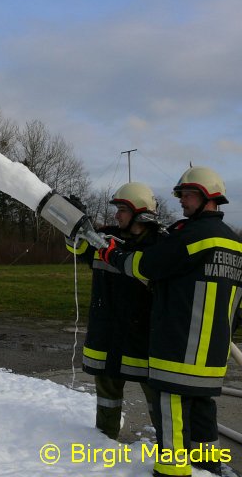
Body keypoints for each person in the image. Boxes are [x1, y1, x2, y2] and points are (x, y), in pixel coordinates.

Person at [99, 166, 242, 476]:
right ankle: (208, 468)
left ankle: (171, 472)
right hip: (212, 355)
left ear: (207, 197)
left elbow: (148, 265)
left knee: (172, 412)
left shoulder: (192, 236)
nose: (181, 200)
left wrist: (114, 256)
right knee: (203, 413)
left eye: (187, 194)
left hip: (178, 350)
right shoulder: (234, 243)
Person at [66, 182, 162, 440]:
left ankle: (170, 450)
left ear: (140, 213)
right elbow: (78, 246)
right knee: (107, 400)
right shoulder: (104, 239)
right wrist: (72, 221)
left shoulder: (161, 246)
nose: (116, 215)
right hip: (107, 339)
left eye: (122, 210)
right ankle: (104, 444)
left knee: (160, 404)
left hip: (145, 342)